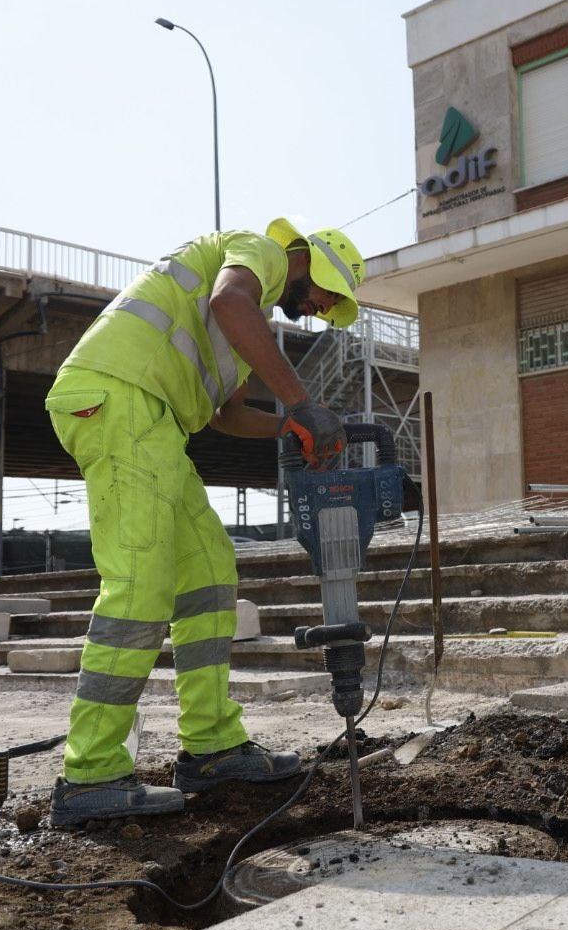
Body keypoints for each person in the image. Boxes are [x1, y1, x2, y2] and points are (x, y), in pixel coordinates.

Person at [46, 219, 364, 827]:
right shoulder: (262, 253)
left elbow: (225, 416)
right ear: (312, 264)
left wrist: (289, 424)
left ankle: (212, 746)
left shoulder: (246, 334)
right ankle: (89, 772)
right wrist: (300, 403)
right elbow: (227, 299)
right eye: (330, 297)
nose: (322, 312)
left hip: (155, 422)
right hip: (117, 397)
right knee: (141, 582)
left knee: (211, 573)